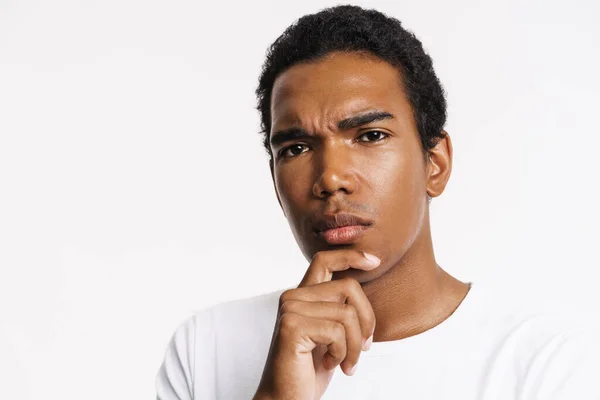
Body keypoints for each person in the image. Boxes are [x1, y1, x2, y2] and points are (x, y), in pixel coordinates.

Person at [155, 5, 600, 399]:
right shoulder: (206, 347)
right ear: (275, 182)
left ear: (435, 164)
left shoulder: (550, 363)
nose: (330, 178)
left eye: (370, 136)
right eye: (295, 149)